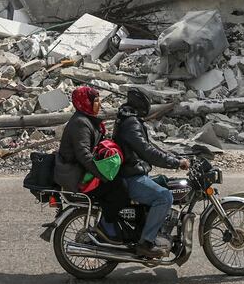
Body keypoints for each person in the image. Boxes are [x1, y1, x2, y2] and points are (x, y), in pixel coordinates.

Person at [113, 88, 190, 259]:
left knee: (163, 182)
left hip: (133, 173)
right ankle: (146, 243)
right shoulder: (131, 123)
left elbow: (150, 146)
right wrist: (175, 163)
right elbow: (147, 151)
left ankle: (160, 233)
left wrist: (174, 156)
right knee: (165, 197)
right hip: (131, 177)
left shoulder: (128, 119)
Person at [54, 86, 128, 243]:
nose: (99, 103)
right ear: (84, 102)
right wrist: (102, 175)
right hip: (77, 176)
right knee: (120, 188)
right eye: (95, 100)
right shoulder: (80, 123)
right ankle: (107, 226)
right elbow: (84, 156)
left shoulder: (87, 119)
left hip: (81, 171)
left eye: (99, 100)